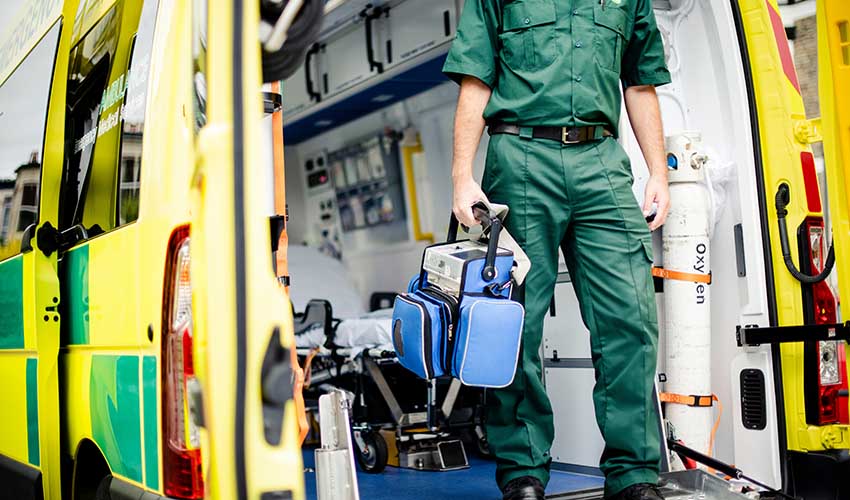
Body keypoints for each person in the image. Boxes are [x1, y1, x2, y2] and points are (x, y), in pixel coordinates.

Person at [443, 1, 671, 499]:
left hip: (601, 160)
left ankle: (633, 474)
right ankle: (523, 470)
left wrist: (658, 170)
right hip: (521, 155)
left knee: (629, 320)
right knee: (514, 326)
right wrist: (463, 176)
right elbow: (476, 81)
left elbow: (639, 81)